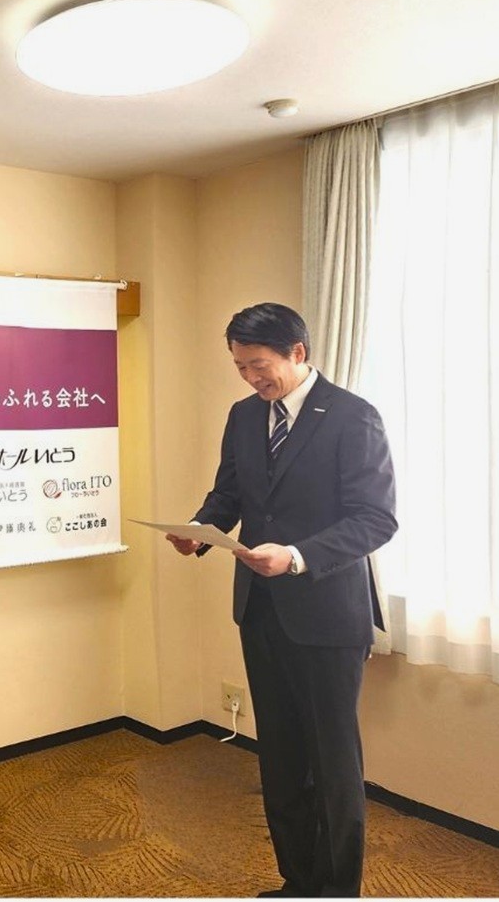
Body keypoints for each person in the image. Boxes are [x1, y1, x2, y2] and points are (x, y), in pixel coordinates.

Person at [167, 303, 396, 898]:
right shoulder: (245, 415)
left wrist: (296, 556)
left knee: (331, 762)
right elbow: (230, 494)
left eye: (258, 365)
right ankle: (298, 881)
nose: (250, 378)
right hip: (261, 610)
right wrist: (200, 531)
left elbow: (375, 519)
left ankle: (337, 890)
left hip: (326, 614)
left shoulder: (353, 417)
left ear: (298, 352)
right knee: (282, 755)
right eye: (240, 367)